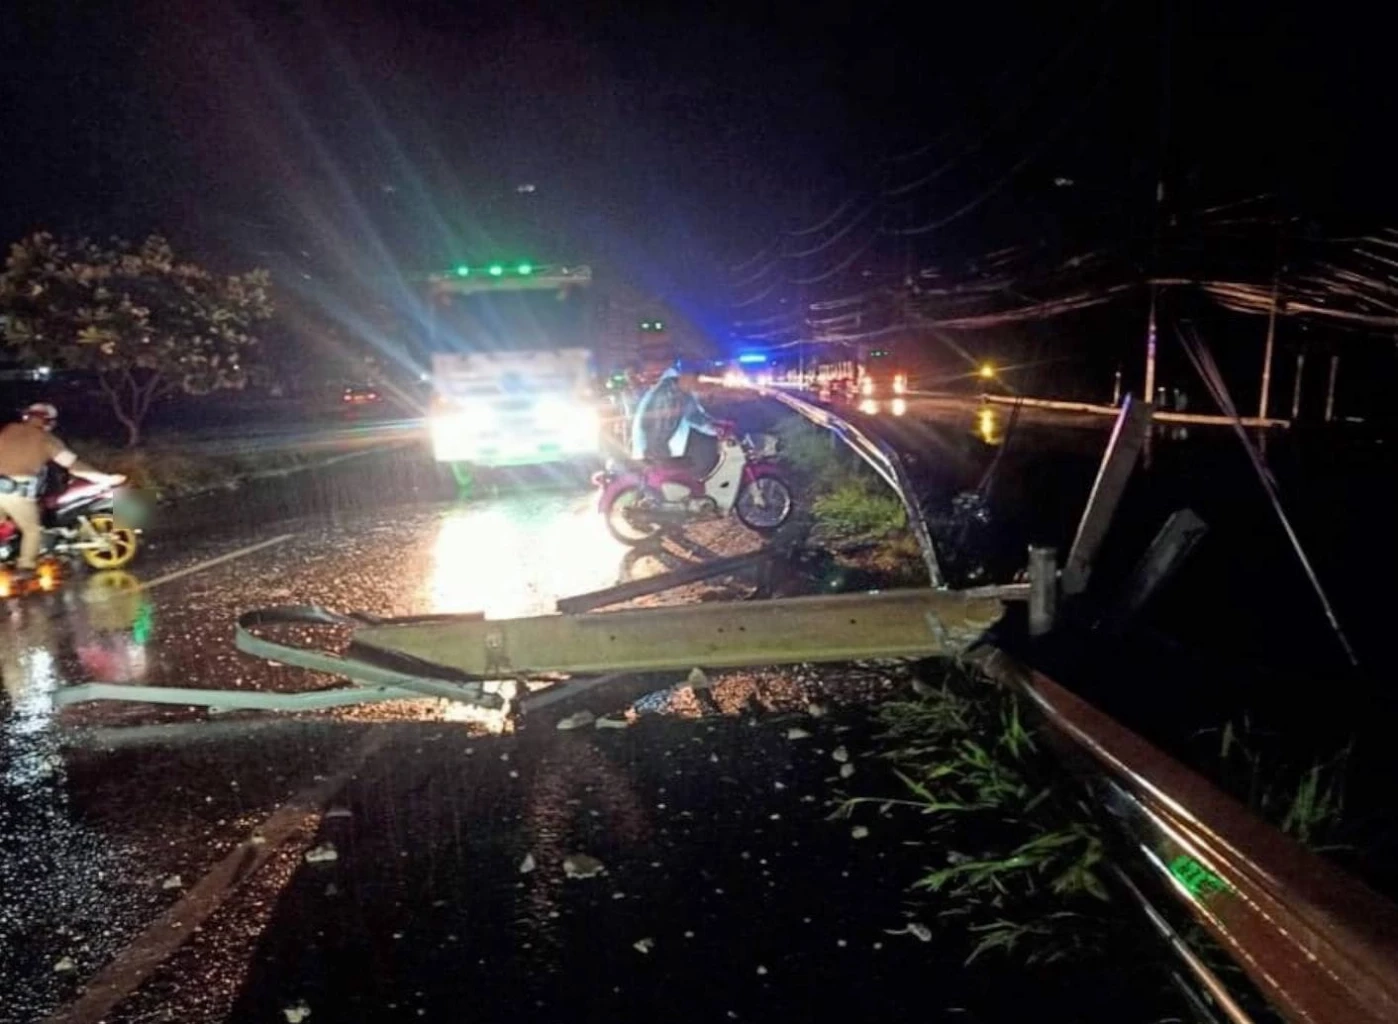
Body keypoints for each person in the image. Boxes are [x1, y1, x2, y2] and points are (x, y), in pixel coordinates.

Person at [0, 403, 125, 578]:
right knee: (32, 530)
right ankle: (25, 567)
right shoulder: (47, 440)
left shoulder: (9, 430)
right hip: (16, 494)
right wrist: (105, 479)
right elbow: (75, 467)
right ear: (48, 422)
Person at [629, 360, 723, 479]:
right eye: (695, 377)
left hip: (660, 454)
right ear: (685, 376)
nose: (697, 383)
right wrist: (667, 467)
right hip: (650, 457)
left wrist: (718, 429)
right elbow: (655, 438)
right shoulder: (666, 395)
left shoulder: (681, 392)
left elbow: (695, 417)